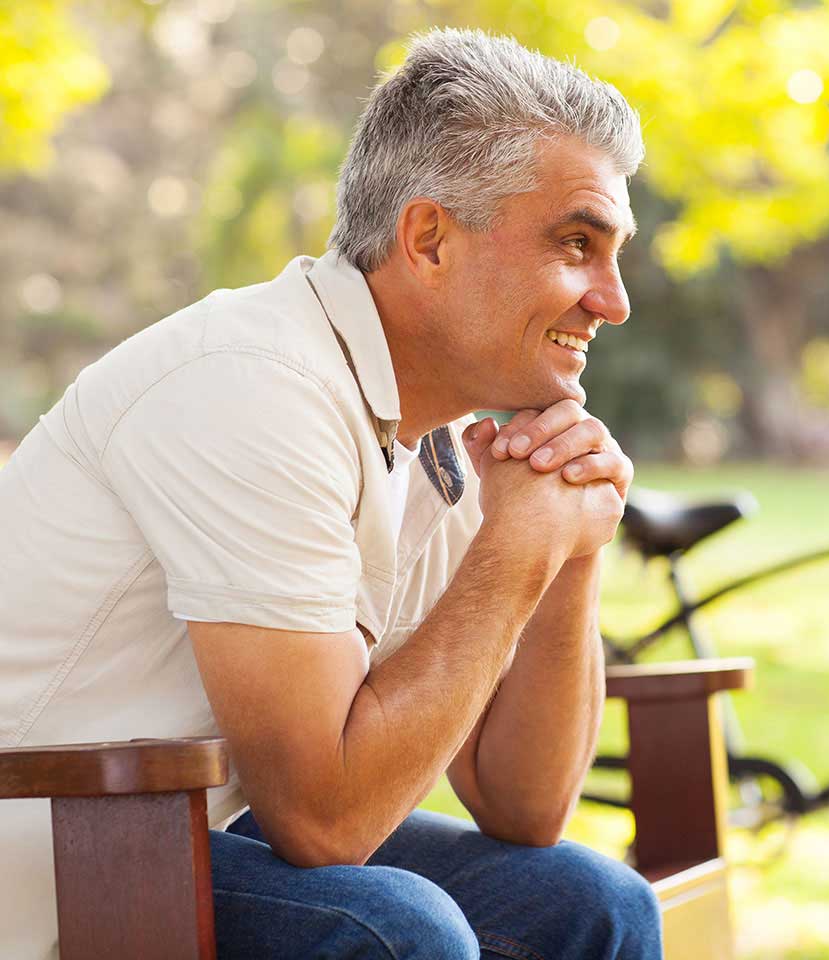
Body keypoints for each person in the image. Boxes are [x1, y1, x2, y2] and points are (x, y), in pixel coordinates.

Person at [0, 28, 662, 960]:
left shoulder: (439, 427)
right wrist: (518, 548)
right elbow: (324, 820)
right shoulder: (254, 386)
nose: (613, 299)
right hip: (40, 857)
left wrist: (568, 541)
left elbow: (527, 804)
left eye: (614, 252)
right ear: (429, 239)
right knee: (392, 933)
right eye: (576, 243)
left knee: (590, 901)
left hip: (177, 829)